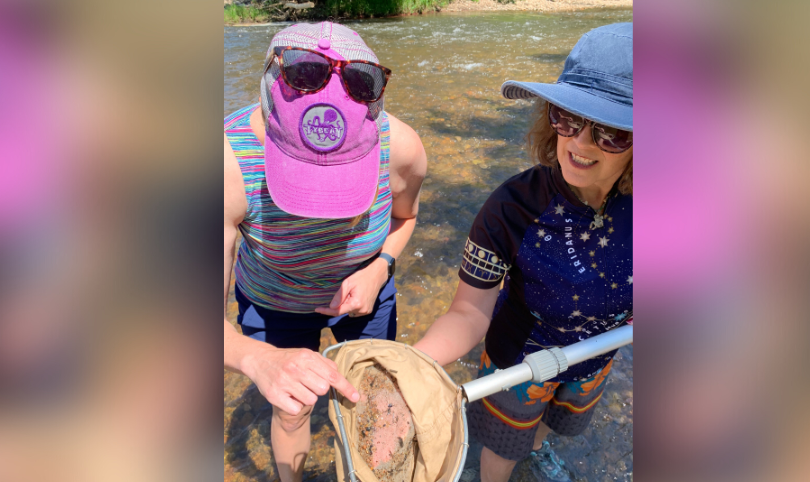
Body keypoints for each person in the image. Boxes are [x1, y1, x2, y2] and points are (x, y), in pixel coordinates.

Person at [414, 23, 633, 482]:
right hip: (518, 362)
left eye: (611, 132)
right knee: (502, 442)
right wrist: (413, 367)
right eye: (567, 118)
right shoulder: (511, 208)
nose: (579, 143)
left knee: (547, 428)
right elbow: (468, 313)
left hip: (596, 357)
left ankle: (536, 454)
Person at [223, 22, 427, 482]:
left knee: (376, 392)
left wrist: (380, 267)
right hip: (275, 303)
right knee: (291, 408)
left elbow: (405, 219)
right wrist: (257, 360)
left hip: (366, 292)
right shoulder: (226, 166)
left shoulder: (404, 149)